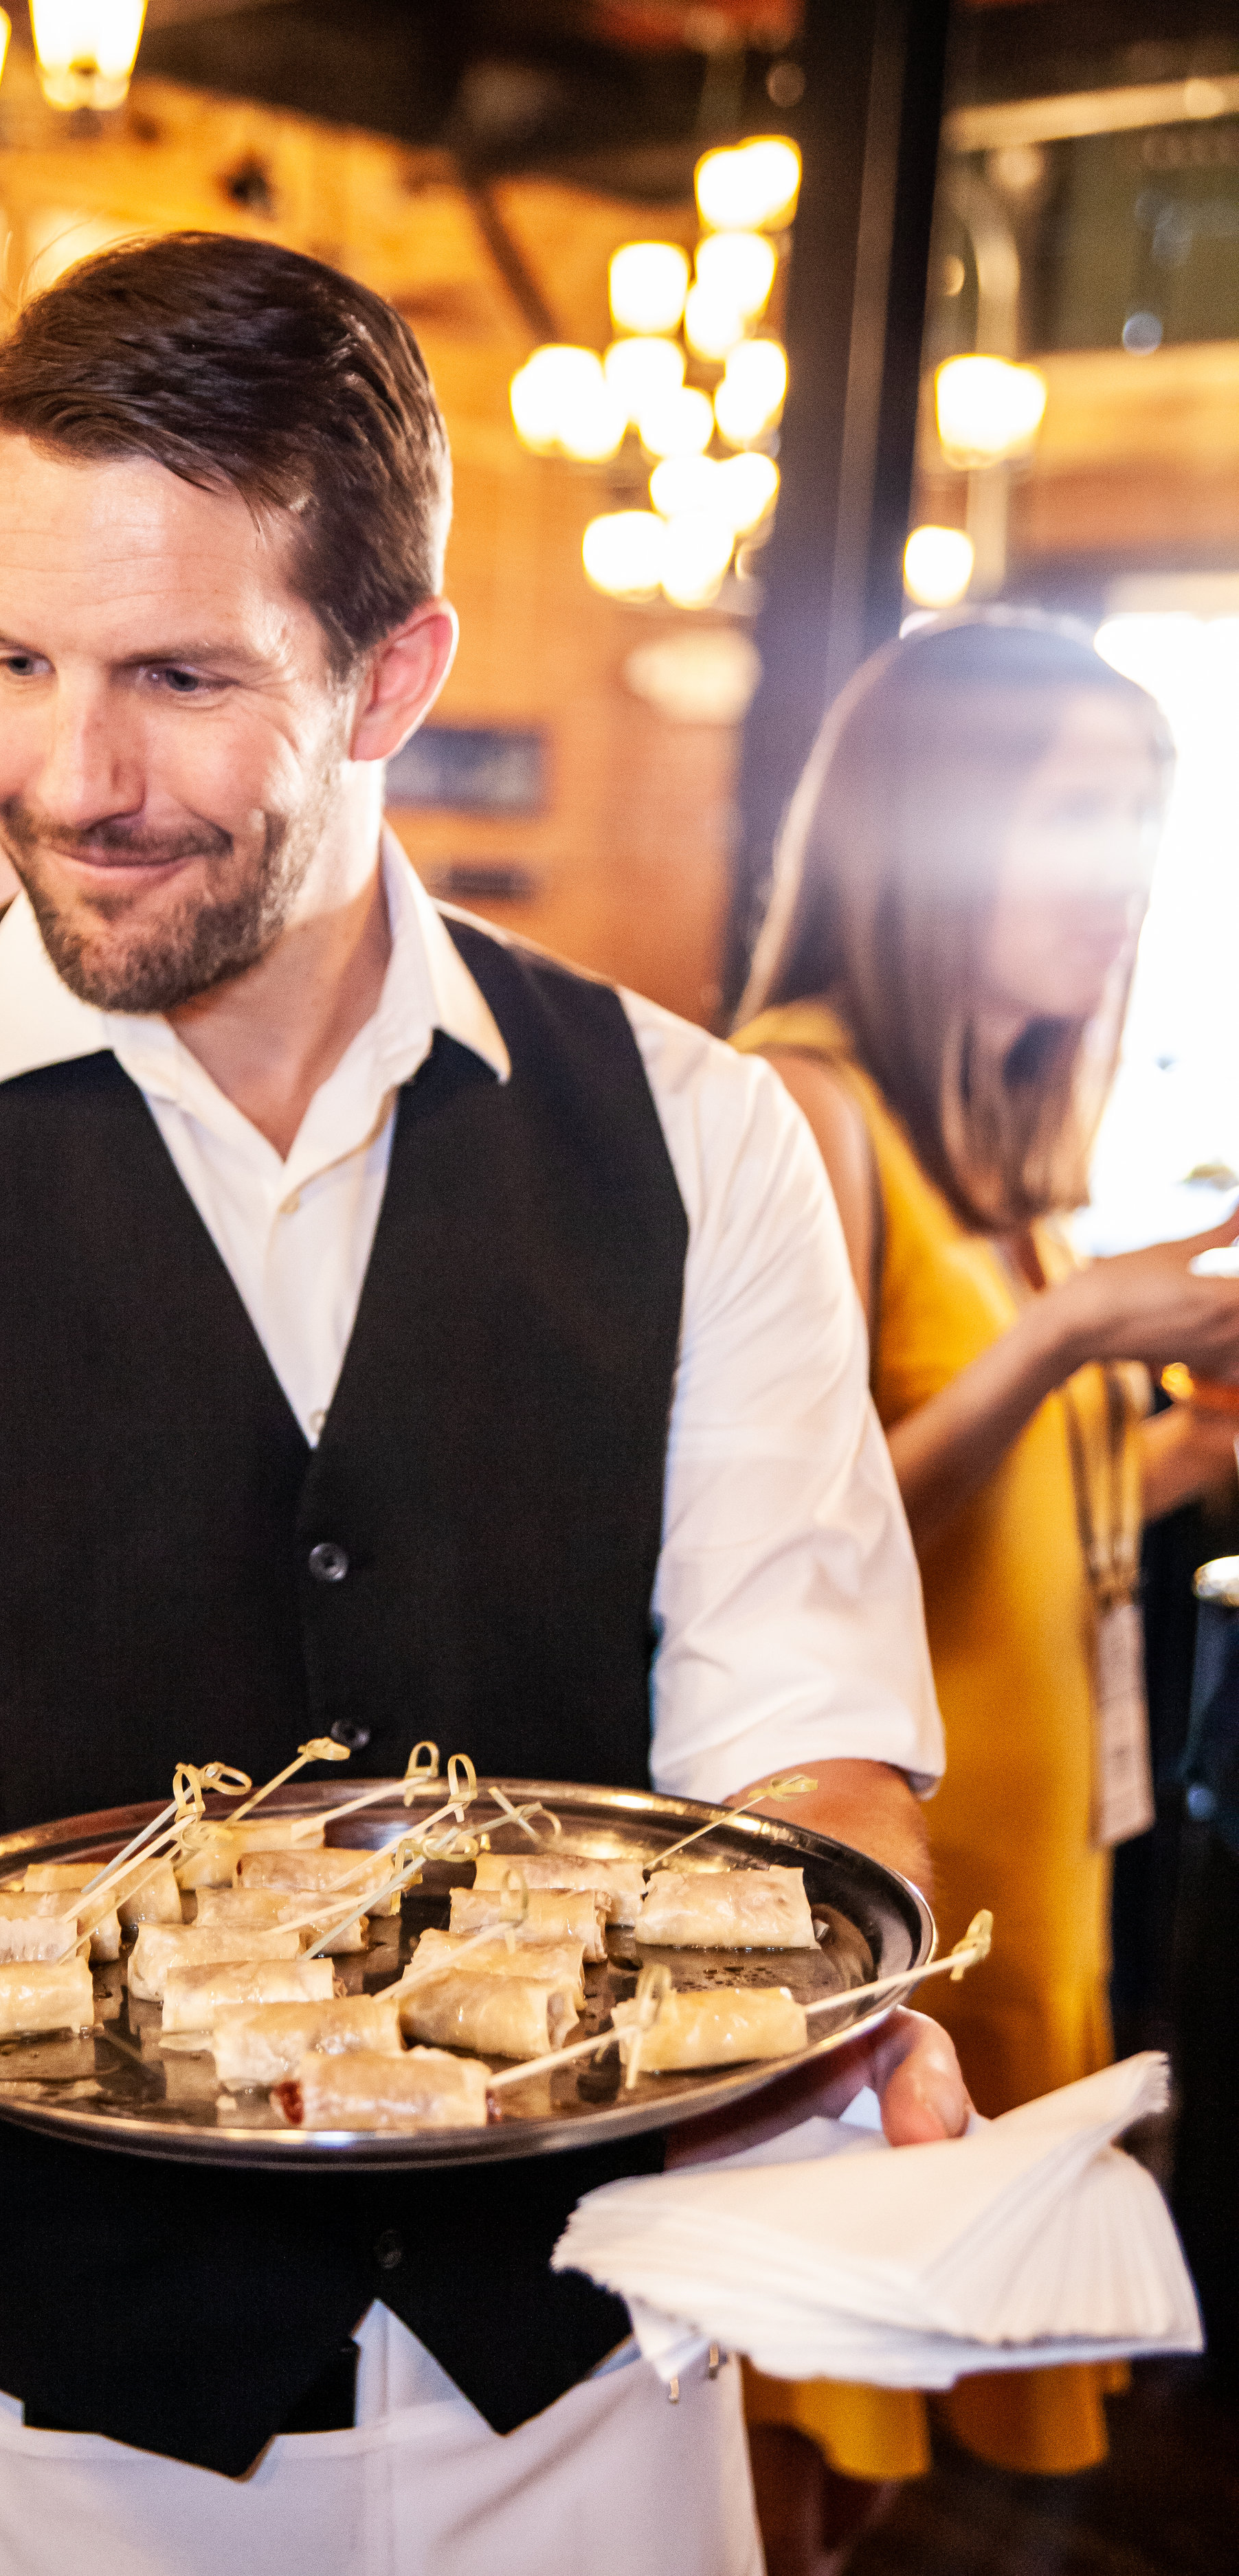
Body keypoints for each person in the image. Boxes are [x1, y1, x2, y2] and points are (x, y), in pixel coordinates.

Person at [0, 234, 967, 2576]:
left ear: (395, 671)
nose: (69, 772)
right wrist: (158, 2062)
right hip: (7, 2450)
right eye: (12, 661)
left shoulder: (703, 1135)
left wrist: (822, 2008)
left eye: (182, 677)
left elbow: (807, 1741)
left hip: (591, 2429)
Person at [731, 613, 1239, 2566]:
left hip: (1032, 1881)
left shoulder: (1004, 1159)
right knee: (804, 2443)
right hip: (889, 1884)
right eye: (1075, 818)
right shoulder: (807, 1101)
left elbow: (1049, 1511)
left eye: (1144, 823)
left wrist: (1169, 1426)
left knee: (881, 2451)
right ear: (922, 834)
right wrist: (1070, 1333)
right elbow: (774, 1523)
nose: (1120, 878)